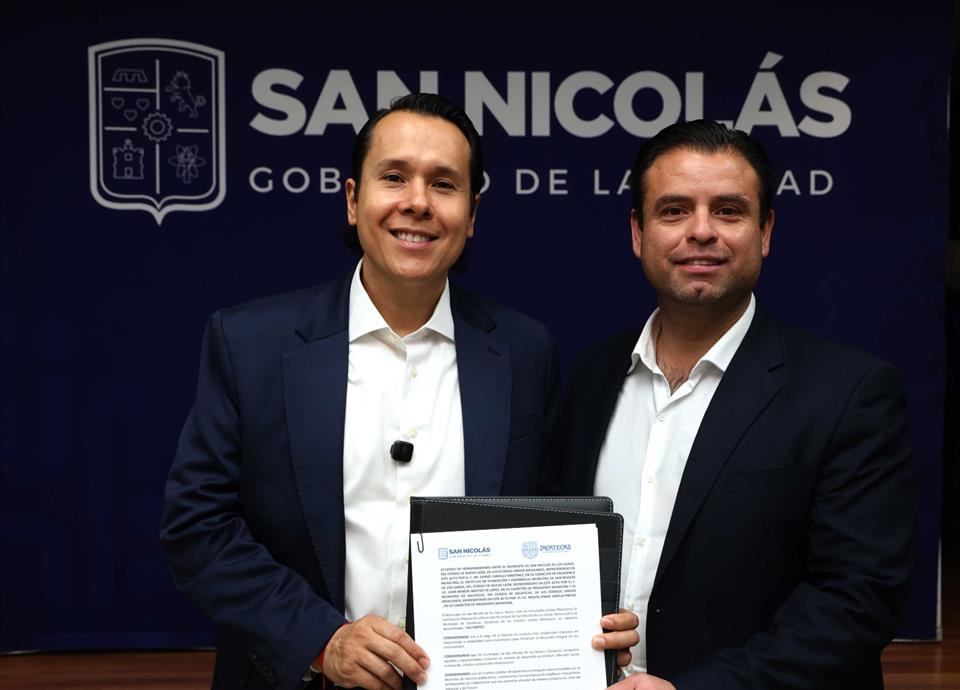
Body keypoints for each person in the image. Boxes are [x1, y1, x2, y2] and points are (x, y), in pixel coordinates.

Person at [160, 93, 636, 690]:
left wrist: (584, 613)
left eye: (444, 184)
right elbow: (197, 527)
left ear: (472, 213)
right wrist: (320, 640)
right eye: (394, 177)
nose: (417, 202)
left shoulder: (523, 350)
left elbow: (544, 524)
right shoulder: (250, 344)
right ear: (353, 199)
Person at [553, 120, 917, 690]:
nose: (701, 231)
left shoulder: (850, 393)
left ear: (764, 231)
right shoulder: (589, 379)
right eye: (674, 211)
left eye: (728, 211)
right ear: (638, 232)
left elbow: (856, 599)